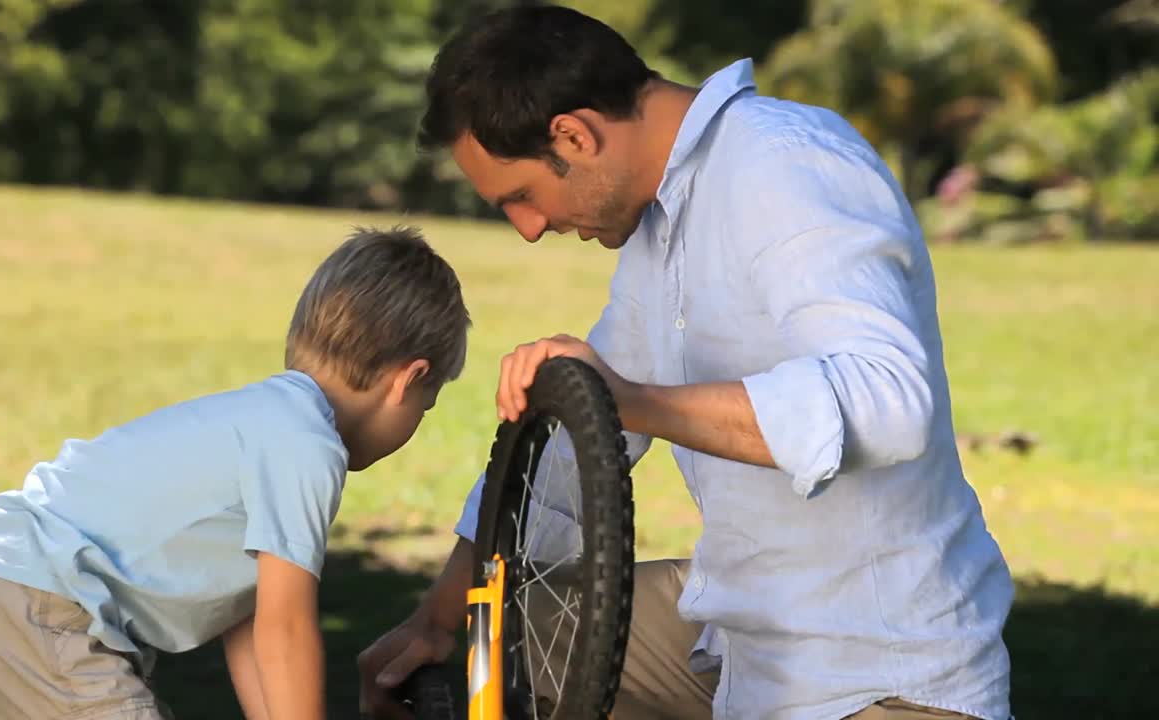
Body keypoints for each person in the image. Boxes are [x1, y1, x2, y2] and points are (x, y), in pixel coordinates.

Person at [357, 7, 1013, 720]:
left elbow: (886, 402)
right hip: (741, 635)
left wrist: (637, 401)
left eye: (520, 196)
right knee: (509, 640)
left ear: (573, 135)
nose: (529, 228)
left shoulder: (784, 163)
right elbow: (565, 461)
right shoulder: (659, 227)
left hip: (879, 673)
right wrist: (438, 621)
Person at [0, 226, 471, 720]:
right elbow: (286, 629)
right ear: (409, 379)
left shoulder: (271, 422)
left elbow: (250, 621)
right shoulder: (307, 446)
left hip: (18, 594)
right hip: (49, 607)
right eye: (427, 406)